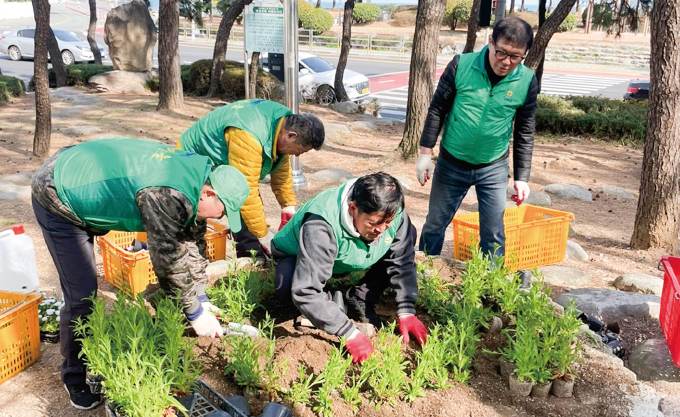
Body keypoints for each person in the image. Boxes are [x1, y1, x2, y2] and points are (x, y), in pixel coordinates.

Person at [31, 138, 250, 410]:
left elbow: (192, 244)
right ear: (208, 194)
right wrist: (194, 313)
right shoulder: (166, 195)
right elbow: (168, 262)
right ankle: (74, 377)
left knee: (86, 292)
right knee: (82, 296)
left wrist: (201, 296)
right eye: (223, 211)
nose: (220, 219)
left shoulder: (198, 177)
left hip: (86, 180)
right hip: (58, 191)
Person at [271, 172, 428, 364]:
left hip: (342, 256)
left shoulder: (390, 211)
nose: (382, 229)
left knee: (407, 234)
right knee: (287, 283)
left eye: (388, 222)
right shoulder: (321, 224)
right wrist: (348, 333)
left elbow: (402, 260)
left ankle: (359, 297)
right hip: (300, 256)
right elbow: (305, 290)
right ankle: (326, 303)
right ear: (352, 208)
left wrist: (406, 310)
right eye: (373, 223)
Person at [416, 17, 538, 263]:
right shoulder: (462, 65)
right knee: (434, 225)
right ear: (491, 42)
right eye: (501, 52)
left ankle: (489, 290)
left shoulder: (527, 81)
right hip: (452, 162)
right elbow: (437, 108)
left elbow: (525, 130)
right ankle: (422, 279)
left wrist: (522, 178)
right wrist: (425, 153)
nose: (506, 62)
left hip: (493, 166)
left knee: (493, 234)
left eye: (516, 57)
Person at [177, 99, 325, 259]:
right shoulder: (249, 135)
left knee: (247, 209)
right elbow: (246, 190)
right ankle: (252, 257)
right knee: (233, 202)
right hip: (194, 159)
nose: (297, 155)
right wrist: (263, 235)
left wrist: (287, 205)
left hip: (224, 159)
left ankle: (255, 254)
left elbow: (280, 168)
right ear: (290, 135)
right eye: (300, 150)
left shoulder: (282, 122)